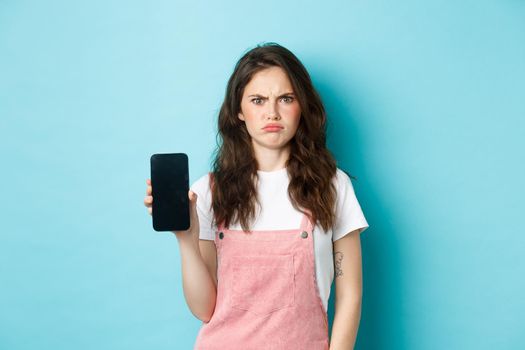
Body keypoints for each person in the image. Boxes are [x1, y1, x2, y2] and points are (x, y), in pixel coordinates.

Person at [144, 42, 369, 350]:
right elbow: (204, 309)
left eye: (285, 98)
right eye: (258, 100)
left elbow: (350, 296)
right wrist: (186, 238)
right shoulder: (208, 191)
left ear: (302, 106)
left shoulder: (332, 186)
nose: (272, 113)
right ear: (239, 111)